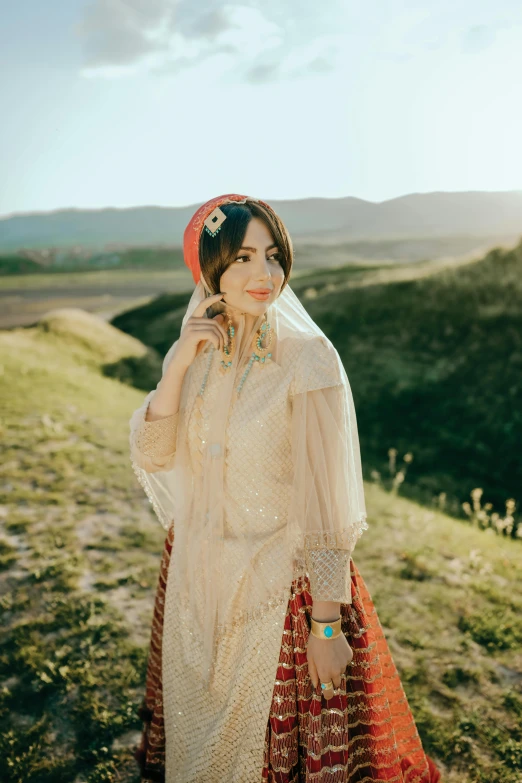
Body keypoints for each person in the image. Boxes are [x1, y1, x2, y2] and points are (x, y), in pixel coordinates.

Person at [129, 194, 442, 782]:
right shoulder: (196, 355)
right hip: (196, 593)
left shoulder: (309, 360)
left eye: (273, 256)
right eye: (242, 258)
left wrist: (326, 626)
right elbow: (153, 453)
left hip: (278, 599)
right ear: (211, 269)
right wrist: (174, 369)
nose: (263, 274)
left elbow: (328, 505)